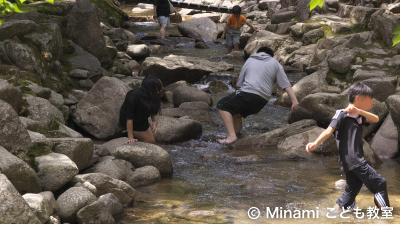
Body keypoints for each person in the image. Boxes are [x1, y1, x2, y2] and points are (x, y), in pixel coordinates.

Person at [306, 82, 390, 211]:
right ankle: (386, 215)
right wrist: (315, 143)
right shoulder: (341, 114)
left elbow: (376, 119)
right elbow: (329, 131)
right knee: (380, 183)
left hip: (351, 160)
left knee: (351, 191)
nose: (371, 103)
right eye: (369, 100)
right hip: (353, 159)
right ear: (358, 98)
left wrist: (360, 111)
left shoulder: (359, 116)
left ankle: (335, 212)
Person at [216, 47, 299, 144]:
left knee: (222, 105)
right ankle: (237, 136)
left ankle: (231, 136)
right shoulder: (275, 63)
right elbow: (286, 84)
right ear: (271, 55)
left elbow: (239, 84)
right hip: (262, 100)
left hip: (248, 92)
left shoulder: (251, 59)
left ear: (257, 53)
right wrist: (295, 101)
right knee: (236, 113)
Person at [119, 75, 162, 144]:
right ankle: (127, 133)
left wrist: (155, 121)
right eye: (156, 90)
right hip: (129, 121)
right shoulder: (132, 97)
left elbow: (154, 112)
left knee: (152, 141)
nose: (158, 92)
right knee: (150, 141)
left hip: (142, 120)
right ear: (149, 90)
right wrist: (131, 137)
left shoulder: (153, 96)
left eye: (158, 90)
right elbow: (129, 119)